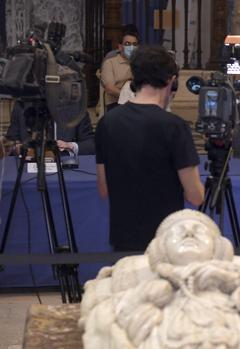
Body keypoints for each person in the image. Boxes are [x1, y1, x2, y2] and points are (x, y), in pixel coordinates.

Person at [80, 209, 240, 349]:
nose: (189, 230)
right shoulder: (137, 294)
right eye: (177, 231)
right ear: (159, 250)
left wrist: (238, 285)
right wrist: (146, 296)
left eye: (200, 230)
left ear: (219, 248)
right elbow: (106, 325)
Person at [95, 45, 204, 251]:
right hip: (166, 242)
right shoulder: (175, 127)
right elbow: (195, 196)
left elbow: (104, 188)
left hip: (123, 238)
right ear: (171, 81)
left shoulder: (107, 122)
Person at [6, 100, 95, 155]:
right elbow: (11, 141)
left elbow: (91, 144)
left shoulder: (76, 106)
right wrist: (17, 148)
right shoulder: (22, 105)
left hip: (65, 168)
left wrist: (70, 146)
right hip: (28, 168)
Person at [100, 25, 139, 112]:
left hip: (139, 103)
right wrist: (129, 97)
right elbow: (110, 88)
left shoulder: (142, 62)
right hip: (116, 103)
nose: (131, 47)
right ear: (120, 47)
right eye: (127, 44)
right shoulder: (110, 63)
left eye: (135, 44)